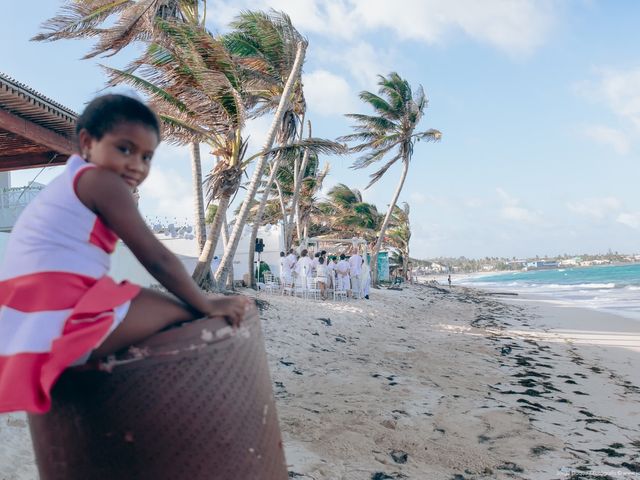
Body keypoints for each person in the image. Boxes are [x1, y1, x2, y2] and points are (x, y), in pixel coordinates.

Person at [0, 94, 251, 414]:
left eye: (147, 157)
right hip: (60, 310)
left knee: (154, 304)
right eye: (125, 149)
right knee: (186, 314)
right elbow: (156, 258)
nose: (136, 165)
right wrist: (207, 303)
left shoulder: (71, 181)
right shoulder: (101, 180)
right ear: (88, 143)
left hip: (31, 313)